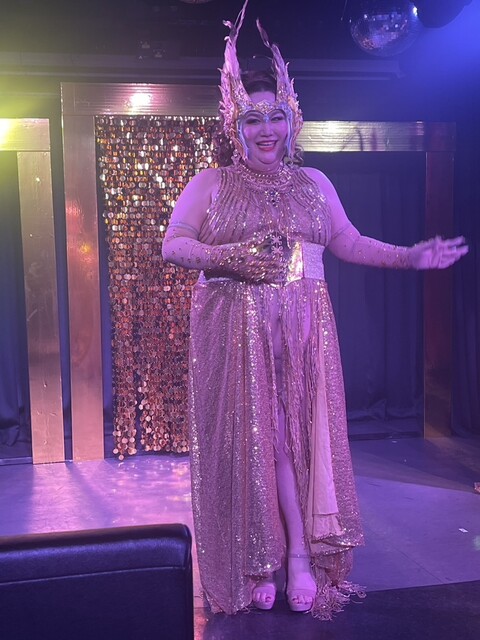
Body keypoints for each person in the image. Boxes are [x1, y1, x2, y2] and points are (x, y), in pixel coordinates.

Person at [162, 0, 468, 620]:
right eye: (252, 118)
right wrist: (234, 256)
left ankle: (297, 554)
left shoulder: (315, 184)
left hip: (304, 335)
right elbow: (174, 245)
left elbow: (349, 243)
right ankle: (271, 557)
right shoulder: (211, 184)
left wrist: (412, 256)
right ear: (234, 125)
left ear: (292, 120)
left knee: (302, 442)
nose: (266, 129)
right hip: (238, 333)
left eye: (276, 115)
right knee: (261, 441)